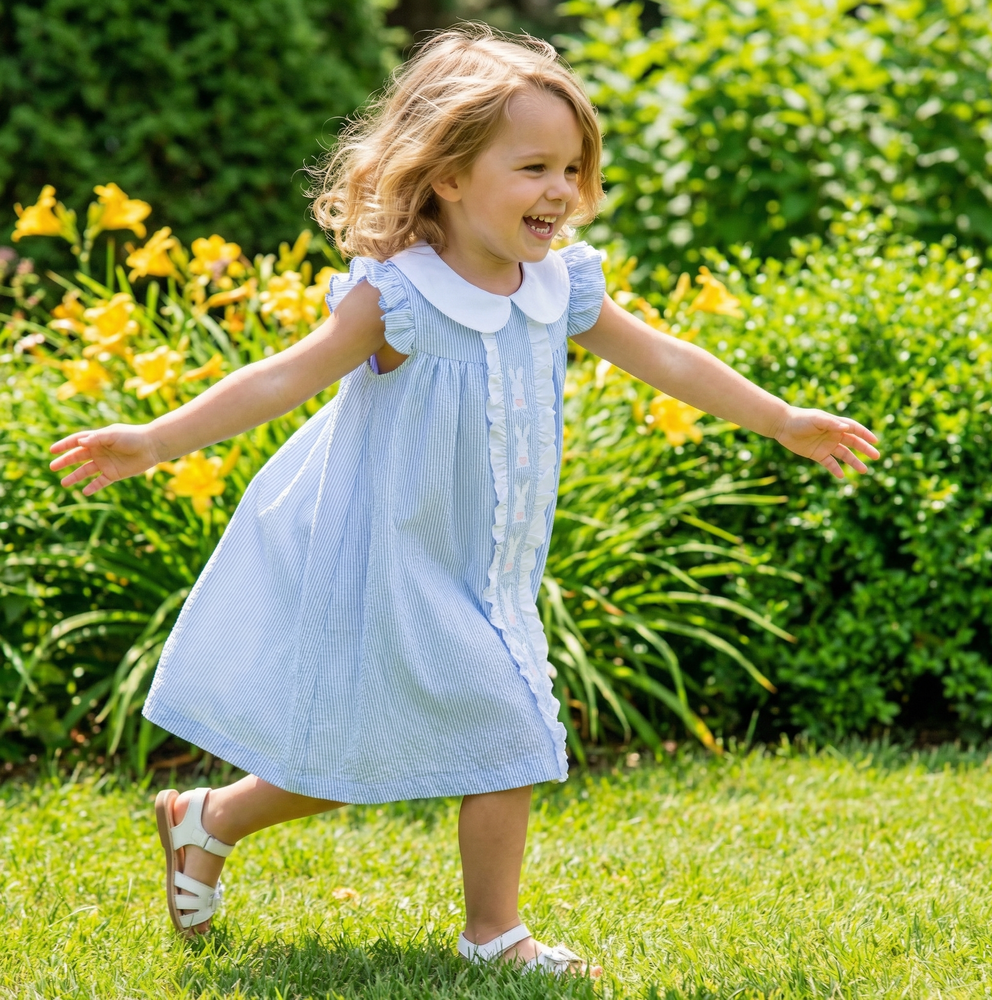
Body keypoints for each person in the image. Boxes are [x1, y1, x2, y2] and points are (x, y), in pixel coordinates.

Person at [48, 25, 878, 977]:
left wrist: (781, 420)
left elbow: (666, 357)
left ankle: (211, 818)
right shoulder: (398, 299)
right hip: (388, 555)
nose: (560, 192)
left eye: (573, 168)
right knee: (479, 735)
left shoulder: (559, 285)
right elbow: (280, 379)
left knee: (440, 740)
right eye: (532, 167)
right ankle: (492, 937)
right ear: (446, 174)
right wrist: (155, 441)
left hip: (488, 566)